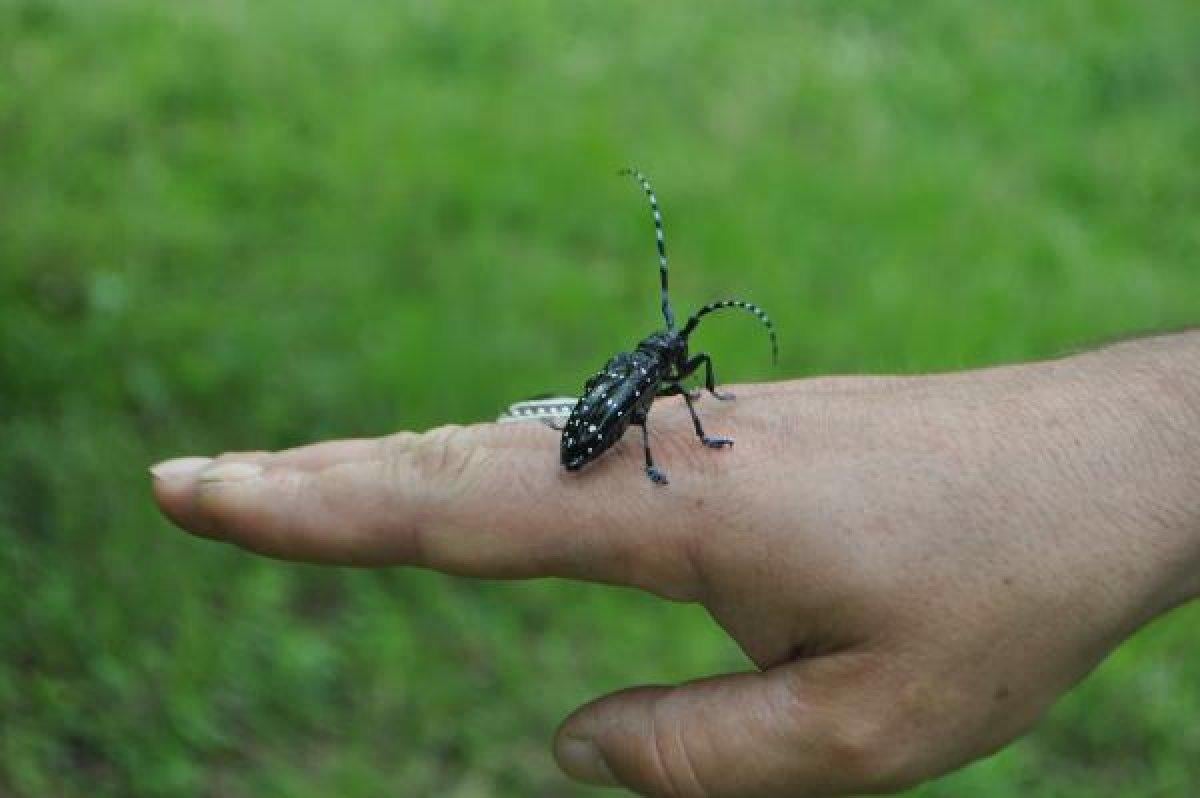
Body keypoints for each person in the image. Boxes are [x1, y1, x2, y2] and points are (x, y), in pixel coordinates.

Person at [150, 332, 1200, 797]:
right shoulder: (647, 389)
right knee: (631, 420)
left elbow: (666, 395)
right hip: (595, 434)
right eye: (675, 358)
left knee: (637, 417)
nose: (677, 366)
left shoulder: (660, 376)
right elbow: (642, 408)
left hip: (600, 427)